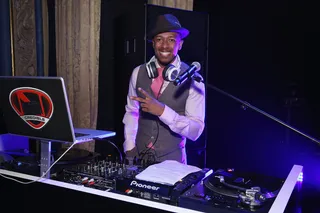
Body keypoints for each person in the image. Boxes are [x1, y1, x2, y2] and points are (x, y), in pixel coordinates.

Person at [122, 14, 205, 164]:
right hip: (138, 158)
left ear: (180, 44)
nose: (165, 45)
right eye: (159, 39)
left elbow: (195, 131)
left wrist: (163, 111)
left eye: (171, 40)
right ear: (153, 43)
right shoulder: (137, 73)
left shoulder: (194, 80)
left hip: (173, 164)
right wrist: (129, 146)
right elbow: (131, 112)